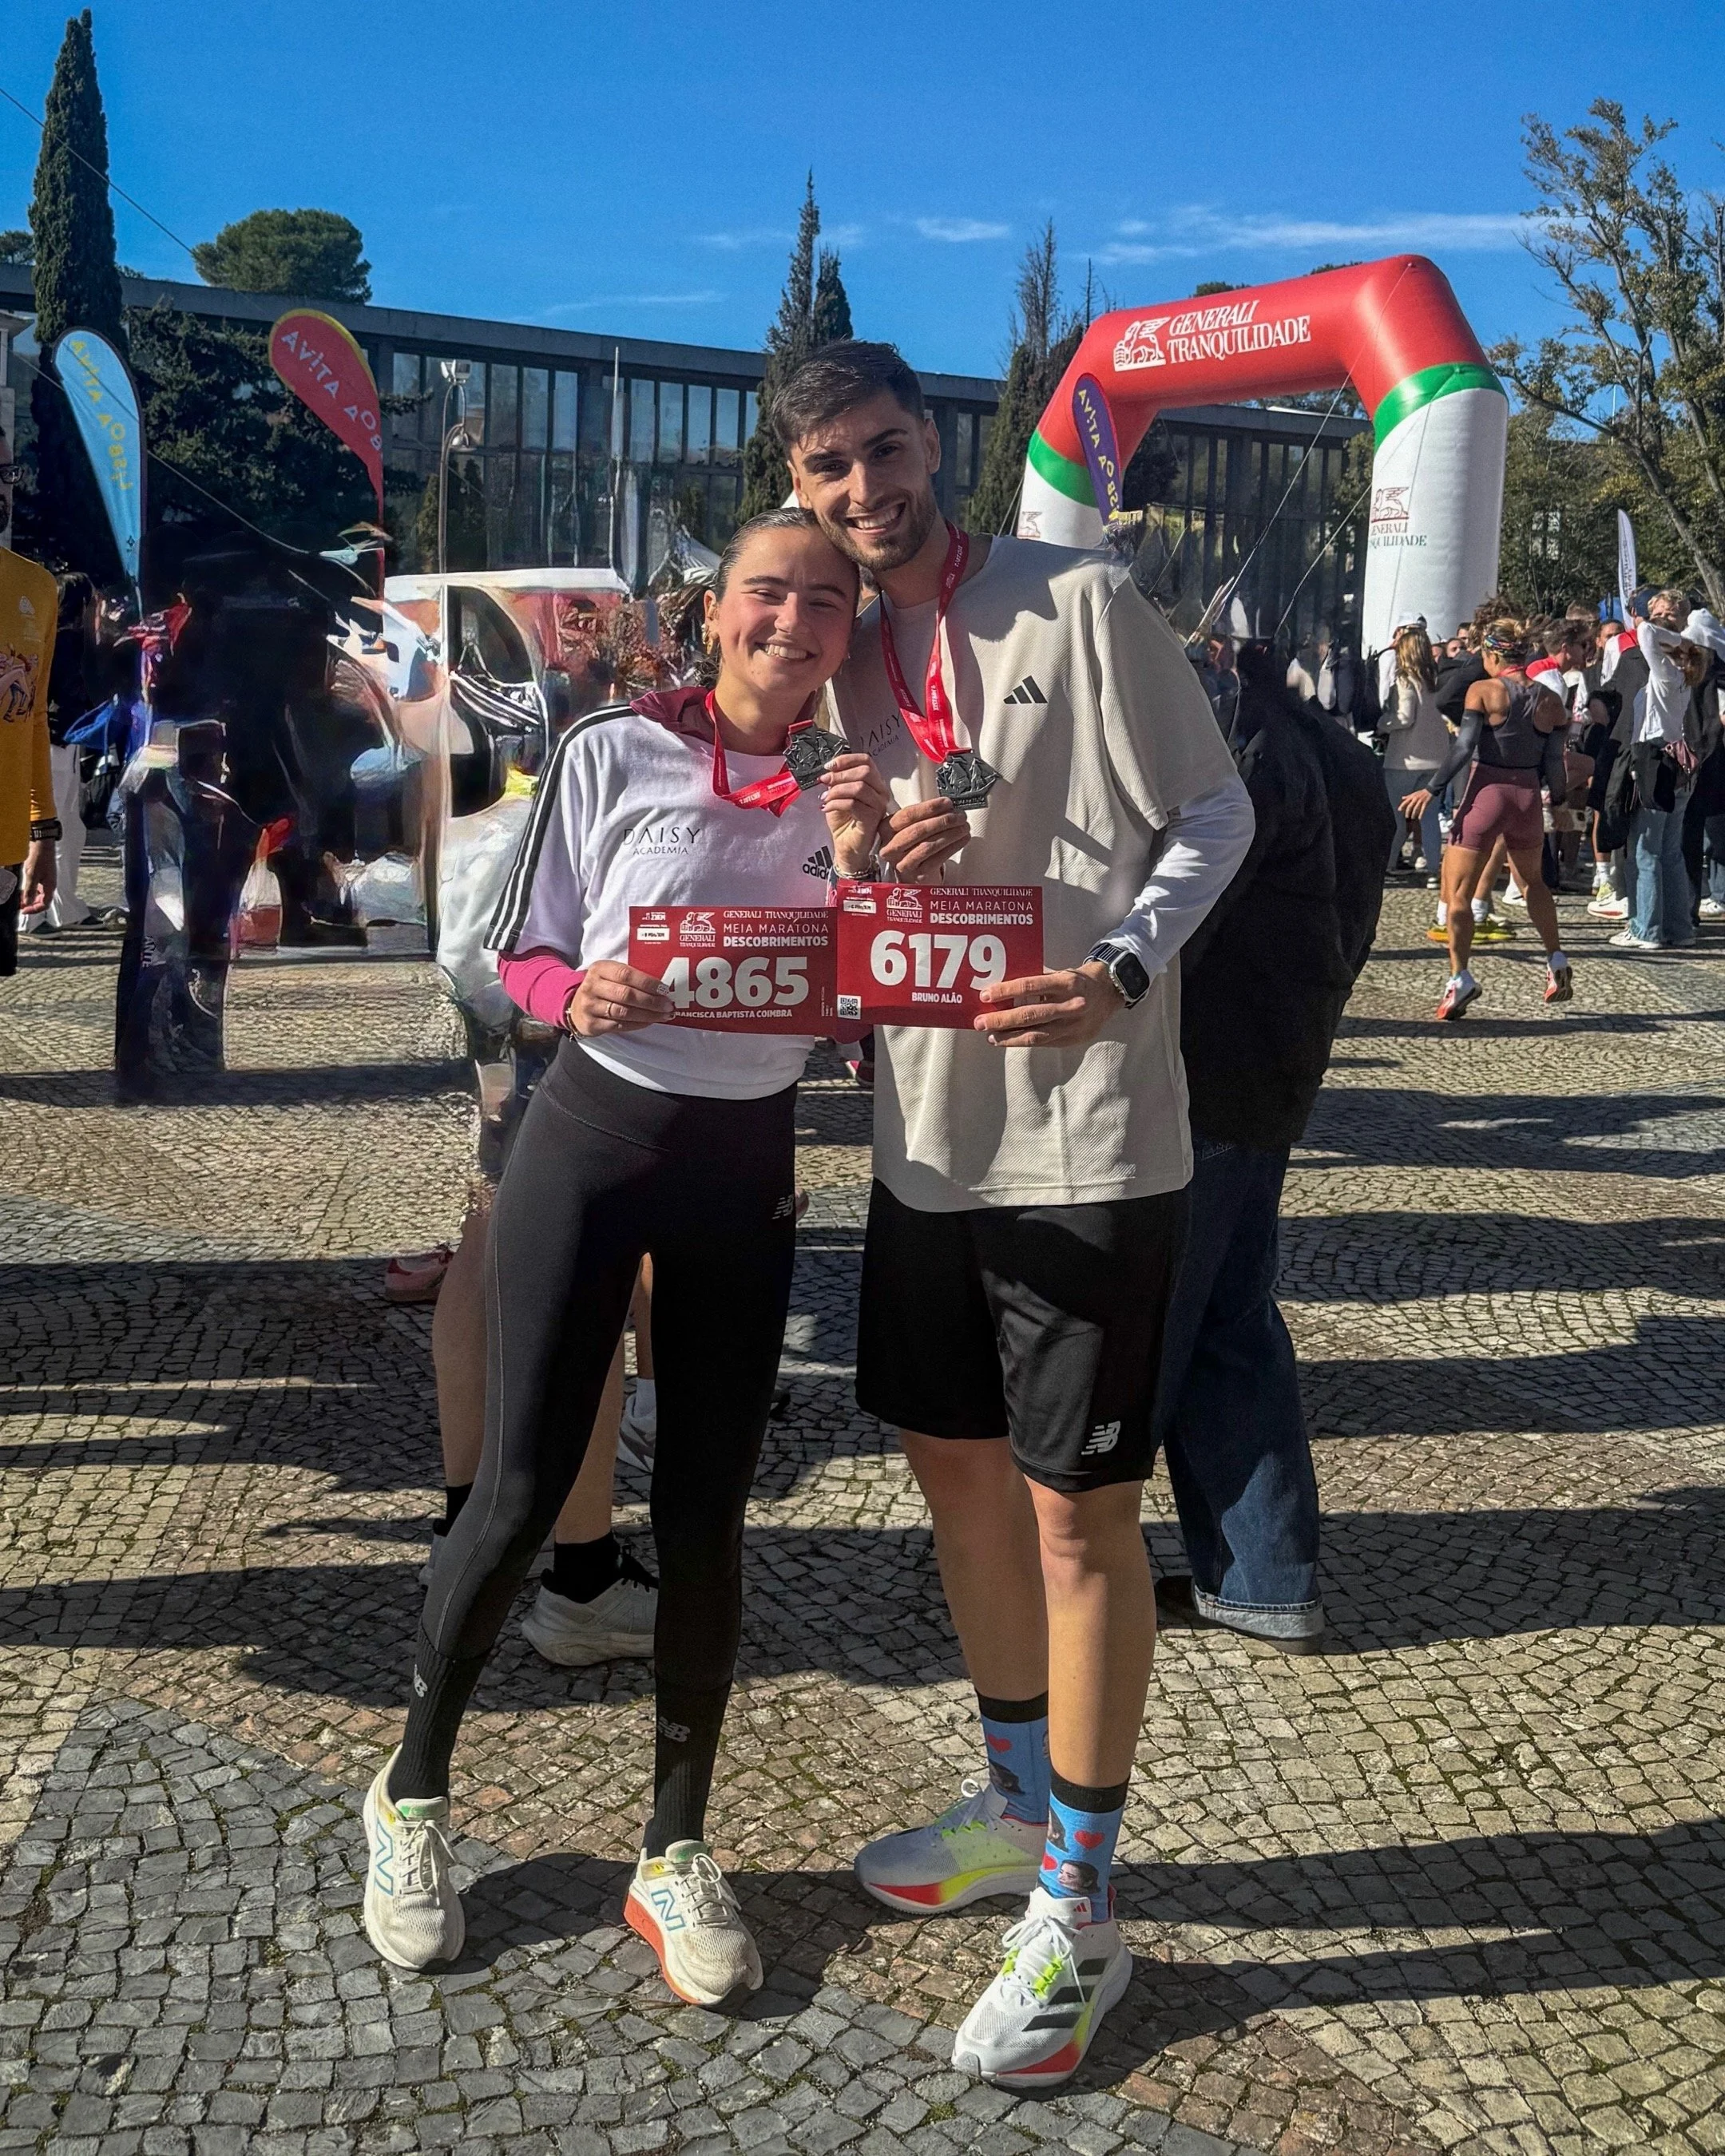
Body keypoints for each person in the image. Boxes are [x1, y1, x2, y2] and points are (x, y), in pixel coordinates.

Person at [355, 509, 924, 2003]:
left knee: (714, 1521)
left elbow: (872, 1013)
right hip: (593, 1147)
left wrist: (868, 866)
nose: (790, 622)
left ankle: (673, 1849)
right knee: (524, 1493)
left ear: (847, 631)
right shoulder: (612, 748)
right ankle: (411, 1793)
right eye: (765, 593)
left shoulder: (859, 781)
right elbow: (512, 955)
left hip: (747, 1171)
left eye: (822, 602)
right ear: (715, 609)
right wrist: (573, 995)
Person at [780, 339, 1254, 2088]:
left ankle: (1082, 1899)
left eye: (884, 452)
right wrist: (854, 847)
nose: (862, 491)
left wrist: (1124, 963)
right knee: (956, 1474)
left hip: (1091, 1137)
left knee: (1078, 1522)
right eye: (829, 468)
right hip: (927, 1139)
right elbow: (893, 887)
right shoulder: (846, 645)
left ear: (938, 445)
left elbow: (1219, 808)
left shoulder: (1076, 603)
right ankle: (1006, 1798)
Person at [1153, 642, 1392, 1649]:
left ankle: (1069, 1570)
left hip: (1205, 1072)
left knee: (1155, 1331)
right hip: (1270, 1067)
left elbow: (1184, 930)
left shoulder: (1241, 749)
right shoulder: (1326, 744)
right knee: (1229, 1321)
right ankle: (1262, 1576)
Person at [1400, 620, 1571, 1019]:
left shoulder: (1485, 690)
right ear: (1524, 656)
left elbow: (1464, 746)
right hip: (1527, 795)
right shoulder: (1550, 701)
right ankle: (1556, 959)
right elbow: (1554, 762)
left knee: (1457, 891)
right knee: (1533, 884)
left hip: (1487, 792)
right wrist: (1559, 802)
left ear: (1493, 657)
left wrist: (1433, 789)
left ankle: (1460, 978)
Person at [1607, 596, 1712, 951]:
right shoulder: (1683, 673)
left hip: (1656, 764)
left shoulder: (1666, 671)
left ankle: (1646, 928)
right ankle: (1679, 927)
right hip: (1677, 765)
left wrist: (1678, 637)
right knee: (1670, 851)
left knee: (1646, 850)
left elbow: (1646, 631)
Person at [1378, 623, 1449, 882]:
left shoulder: (1405, 678)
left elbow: (1404, 717)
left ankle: (1388, 862)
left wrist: (1382, 723)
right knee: (1429, 817)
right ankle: (1433, 869)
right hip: (1437, 757)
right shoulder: (1438, 678)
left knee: (1395, 815)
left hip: (1405, 758)